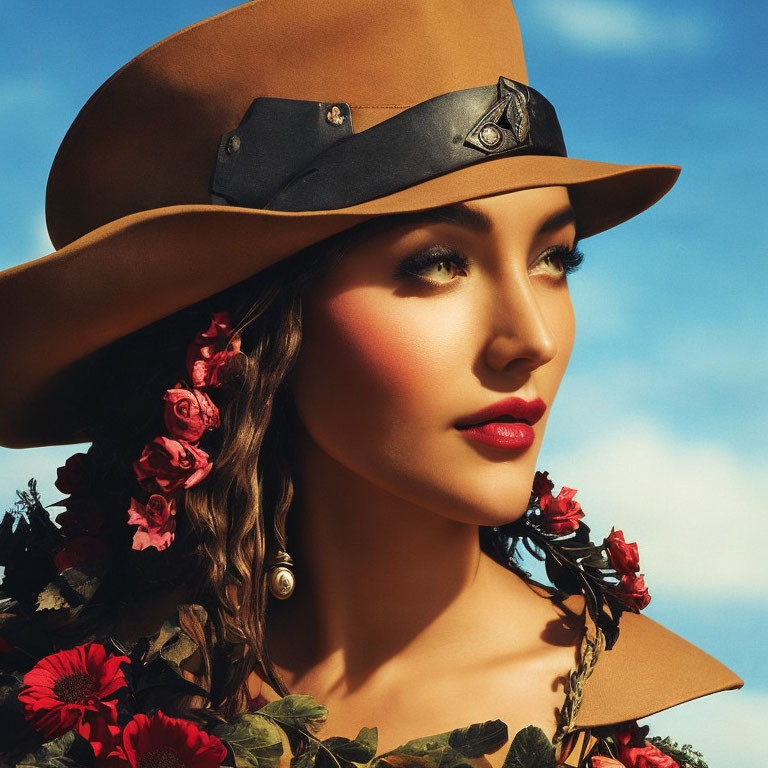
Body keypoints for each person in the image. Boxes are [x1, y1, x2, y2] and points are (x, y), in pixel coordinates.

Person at [0, 1, 742, 766]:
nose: (532, 340)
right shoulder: (83, 684)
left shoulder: (596, 720)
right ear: (245, 335)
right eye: (437, 263)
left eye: (554, 258)